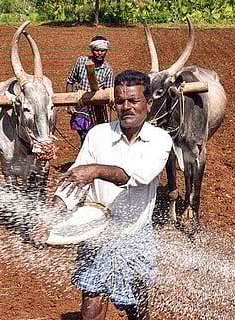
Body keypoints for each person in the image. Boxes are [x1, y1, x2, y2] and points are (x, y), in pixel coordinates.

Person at [52, 70, 173, 320]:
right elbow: (76, 182)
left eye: (133, 101)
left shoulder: (160, 140)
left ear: (148, 104)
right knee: (92, 295)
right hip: (96, 232)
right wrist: (51, 213)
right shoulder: (98, 135)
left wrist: (94, 170)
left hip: (135, 233)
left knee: (137, 304)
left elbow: (137, 177)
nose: (126, 107)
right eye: (119, 101)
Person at [66, 35, 114, 145]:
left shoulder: (107, 70)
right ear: (92, 50)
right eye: (97, 50)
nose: (100, 53)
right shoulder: (80, 61)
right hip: (81, 107)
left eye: (103, 50)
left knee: (97, 135)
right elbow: (70, 81)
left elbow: (109, 91)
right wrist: (70, 104)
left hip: (98, 108)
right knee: (84, 135)